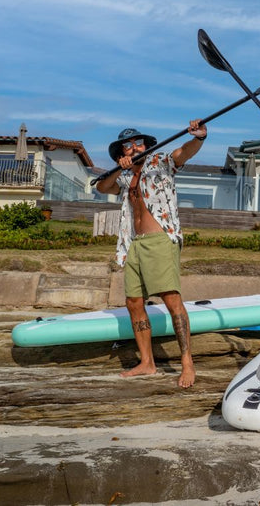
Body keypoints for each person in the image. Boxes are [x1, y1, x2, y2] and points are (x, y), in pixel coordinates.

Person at [96, 120, 208, 387]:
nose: (134, 148)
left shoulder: (161, 164)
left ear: (146, 146)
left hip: (160, 240)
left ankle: (187, 363)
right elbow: (102, 188)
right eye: (128, 146)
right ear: (121, 154)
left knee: (171, 300)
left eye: (138, 143)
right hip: (133, 244)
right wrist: (118, 169)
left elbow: (185, 151)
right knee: (133, 303)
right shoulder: (123, 178)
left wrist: (200, 137)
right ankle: (147, 363)